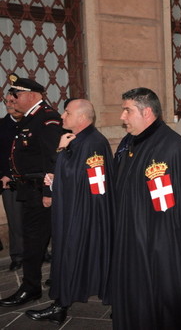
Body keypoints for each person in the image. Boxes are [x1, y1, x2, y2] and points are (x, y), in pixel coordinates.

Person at [111, 87, 181, 329]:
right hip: (132, 239)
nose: (122, 117)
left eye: (127, 111)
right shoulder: (132, 142)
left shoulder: (170, 147)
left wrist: (157, 249)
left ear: (146, 112)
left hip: (156, 248)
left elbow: (171, 211)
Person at [24, 99, 114, 324]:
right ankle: (61, 303)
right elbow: (71, 175)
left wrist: (60, 151)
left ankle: (62, 305)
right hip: (73, 210)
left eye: (67, 112)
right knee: (68, 256)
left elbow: (92, 183)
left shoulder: (94, 142)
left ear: (82, 118)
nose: (62, 116)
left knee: (75, 256)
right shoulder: (78, 139)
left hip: (84, 213)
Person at [0, 73, 63, 307]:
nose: (12, 99)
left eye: (17, 94)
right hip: (30, 190)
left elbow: (53, 160)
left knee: (35, 242)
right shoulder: (31, 118)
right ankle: (34, 285)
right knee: (32, 241)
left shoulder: (46, 120)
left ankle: (31, 288)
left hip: (40, 193)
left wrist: (49, 193)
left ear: (32, 95)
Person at [0, 93, 24, 271]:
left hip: (33, 180)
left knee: (36, 219)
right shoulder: (1, 126)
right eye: (6, 101)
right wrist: (5, 174)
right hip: (9, 181)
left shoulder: (33, 123)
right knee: (15, 221)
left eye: (12, 101)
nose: (9, 104)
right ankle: (18, 255)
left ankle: (39, 251)